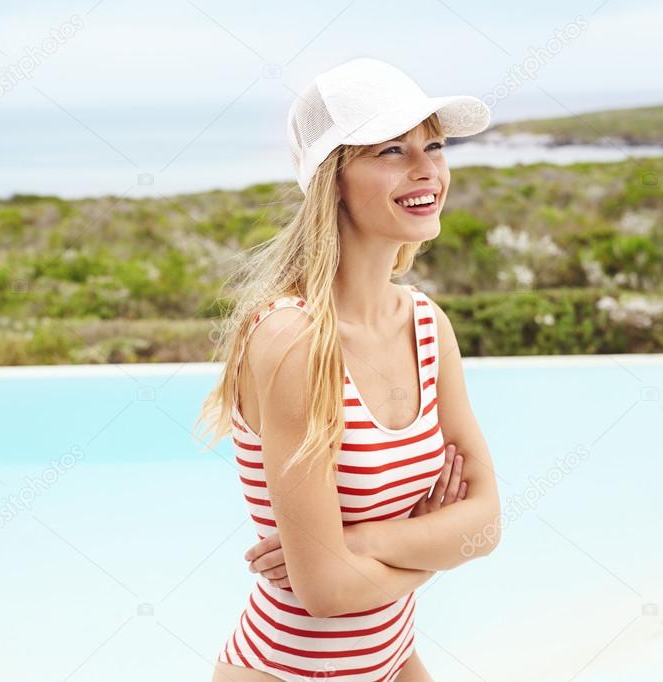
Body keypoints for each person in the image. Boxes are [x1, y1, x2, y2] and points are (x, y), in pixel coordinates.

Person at [195, 57, 503, 682]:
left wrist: (360, 542)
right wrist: (428, 542)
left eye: (434, 145)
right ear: (332, 178)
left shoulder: (426, 325)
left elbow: (486, 522)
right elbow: (326, 592)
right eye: (393, 149)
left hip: (395, 661)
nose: (427, 170)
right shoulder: (290, 339)